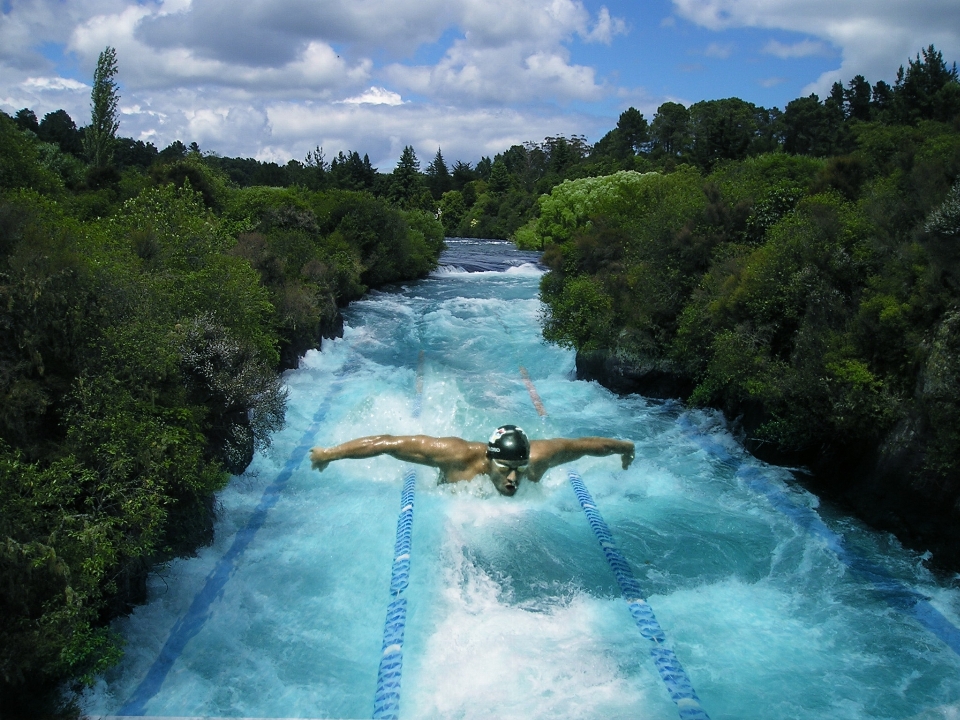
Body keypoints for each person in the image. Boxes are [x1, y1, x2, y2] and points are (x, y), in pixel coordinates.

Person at [309, 424, 635, 496]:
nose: (513, 479)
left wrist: (623, 446)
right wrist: (330, 453)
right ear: (489, 460)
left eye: (518, 470)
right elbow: (387, 443)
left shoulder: (537, 459)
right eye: (505, 470)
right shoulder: (457, 457)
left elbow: (582, 445)